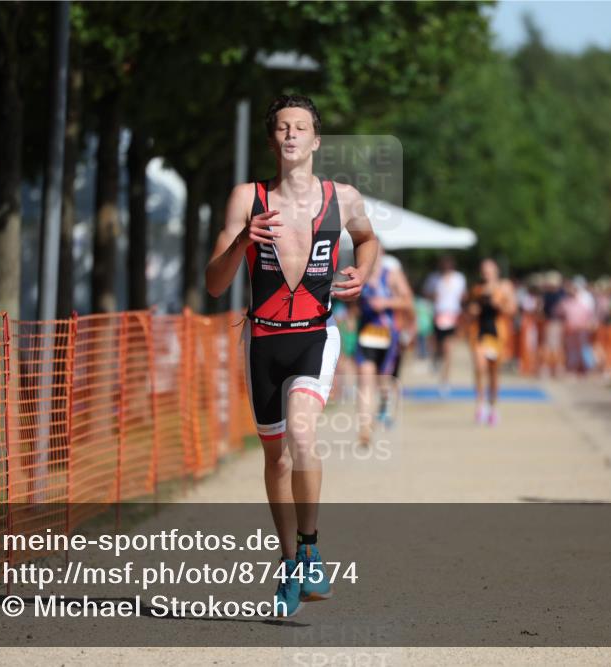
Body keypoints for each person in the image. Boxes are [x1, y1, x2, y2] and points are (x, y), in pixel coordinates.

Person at [205, 94, 379, 614]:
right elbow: (215, 285)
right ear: (272, 140)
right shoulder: (247, 198)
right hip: (262, 340)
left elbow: (368, 239)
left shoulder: (342, 197)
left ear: (316, 140)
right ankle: (289, 562)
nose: (291, 135)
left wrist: (363, 271)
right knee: (276, 457)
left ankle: (310, 547)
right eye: (282, 127)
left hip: (315, 334)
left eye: (300, 127)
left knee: (303, 432)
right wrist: (241, 242)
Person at [355, 247, 413, 444]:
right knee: (365, 379)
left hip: (388, 336)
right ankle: (365, 427)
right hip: (366, 335)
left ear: (382, 253)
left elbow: (407, 301)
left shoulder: (391, 275)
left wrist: (386, 303)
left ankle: (385, 405)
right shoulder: (358, 273)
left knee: (383, 381)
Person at [464, 259, 516, 425]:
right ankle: (480, 404)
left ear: (496, 271)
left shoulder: (504, 286)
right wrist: (472, 311)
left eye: (489, 270)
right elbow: (468, 308)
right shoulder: (476, 288)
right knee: (480, 367)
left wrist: (499, 304)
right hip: (479, 333)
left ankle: (493, 406)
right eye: (483, 270)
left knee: (494, 372)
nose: (486, 273)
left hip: (496, 334)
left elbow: (513, 309)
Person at [426, 256, 467, 393]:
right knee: (438, 347)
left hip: (453, 316)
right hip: (437, 315)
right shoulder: (434, 278)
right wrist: (434, 296)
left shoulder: (459, 278)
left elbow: (463, 296)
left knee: (448, 349)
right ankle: (436, 360)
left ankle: (445, 380)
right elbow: (426, 293)